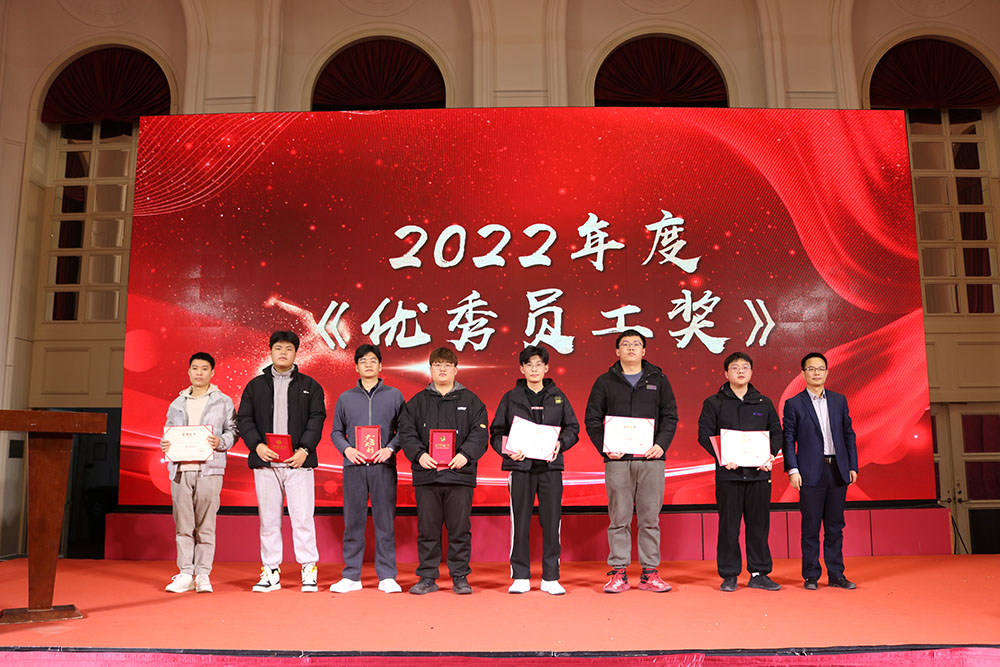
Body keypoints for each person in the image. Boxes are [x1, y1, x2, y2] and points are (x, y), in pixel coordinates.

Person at [584, 329, 678, 593]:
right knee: (619, 518)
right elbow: (592, 419)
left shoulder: (659, 380)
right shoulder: (605, 381)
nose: (631, 348)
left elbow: (670, 416)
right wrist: (606, 448)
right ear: (617, 351)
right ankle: (618, 573)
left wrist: (661, 445)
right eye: (625, 344)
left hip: (651, 460)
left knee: (650, 518)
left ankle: (650, 573)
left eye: (636, 344)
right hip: (617, 461)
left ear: (644, 351)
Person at [236, 330, 326, 593]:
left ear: (296, 353)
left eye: (288, 348)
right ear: (271, 351)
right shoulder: (255, 386)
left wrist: (304, 449)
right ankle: (271, 571)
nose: (283, 353)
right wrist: (257, 446)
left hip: (298, 463)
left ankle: (308, 569)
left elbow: (317, 419)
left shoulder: (310, 385)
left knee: (303, 518)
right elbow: (244, 419)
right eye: (278, 348)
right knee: (269, 520)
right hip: (266, 463)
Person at [490, 345, 580, 595]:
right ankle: (520, 575)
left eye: (538, 364)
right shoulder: (511, 397)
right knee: (519, 522)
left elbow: (573, 428)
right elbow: (496, 432)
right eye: (529, 365)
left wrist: (561, 444)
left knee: (552, 522)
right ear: (522, 369)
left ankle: (551, 577)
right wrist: (508, 450)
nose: (534, 369)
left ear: (546, 368)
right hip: (520, 468)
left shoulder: (558, 396)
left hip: (550, 468)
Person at [398, 347, 489, 595]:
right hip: (427, 476)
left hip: (460, 476)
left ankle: (460, 576)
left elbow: (480, 433)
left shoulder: (471, 401)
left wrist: (465, 455)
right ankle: (427, 577)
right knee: (428, 530)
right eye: (437, 365)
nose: (442, 369)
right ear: (430, 369)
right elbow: (406, 432)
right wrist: (419, 455)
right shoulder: (417, 402)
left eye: (447, 365)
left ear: (456, 370)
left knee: (460, 529)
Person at [697, 352, 783, 592]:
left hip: (759, 474)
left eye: (745, 367)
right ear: (726, 373)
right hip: (729, 475)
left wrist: (770, 455)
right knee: (729, 526)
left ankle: (759, 573)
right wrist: (723, 457)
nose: (741, 371)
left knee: (759, 526)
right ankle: (729, 575)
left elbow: (777, 433)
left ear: (751, 372)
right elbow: (704, 435)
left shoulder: (763, 402)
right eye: (735, 367)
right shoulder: (713, 403)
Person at [328, 344, 405, 594]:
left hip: (383, 467)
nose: (368, 365)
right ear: (356, 367)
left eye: (373, 360)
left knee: (385, 522)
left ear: (380, 366)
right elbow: (336, 432)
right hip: (354, 466)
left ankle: (387, 576)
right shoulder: (345, 398)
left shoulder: (394, 395)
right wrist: (347, 450)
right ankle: (351, 576)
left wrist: (390, 449)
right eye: (363, 361)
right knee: (353, 522)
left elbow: (404, 430)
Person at [161, 352, 238, 593]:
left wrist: (220, 441)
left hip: (210, 470)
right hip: (181, 470)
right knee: (183, 525)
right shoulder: (177, 403)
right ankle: (185, 573)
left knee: (206, 524)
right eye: (195, 368)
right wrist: (166, 443)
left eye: (204, 368)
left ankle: (203, 574)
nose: (199, 373)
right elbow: (169, 431)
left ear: (212, 372)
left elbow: (233, 431)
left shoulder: (223, 401)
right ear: (188, 371)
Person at [783, 352, 859, 590]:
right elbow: (788, 439)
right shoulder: (794, 403)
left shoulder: (839, 400)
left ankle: (836, 575)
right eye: (811, 369)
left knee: (836, 526)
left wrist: (852, 465)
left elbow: (848, 434)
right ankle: (811, 576)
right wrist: (792, 469)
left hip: (837, 470)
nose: (816, 373)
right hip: (809, 472)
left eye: (820, 368)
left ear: (827, 372)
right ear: (803, 373)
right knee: (811, 527)